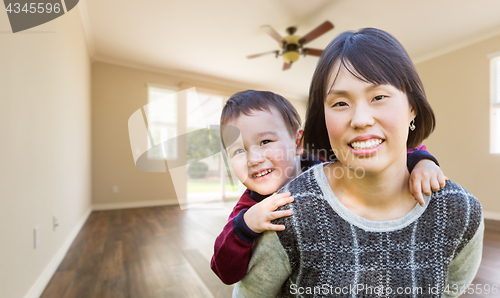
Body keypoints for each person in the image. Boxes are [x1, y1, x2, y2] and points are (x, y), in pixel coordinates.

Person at [233, 28, 484, 298]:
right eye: (340, 103)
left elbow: (450, 290)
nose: (361, 119)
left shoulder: (460, 211)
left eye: (378, 97)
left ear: (412, 107)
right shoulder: (288, 211)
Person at [211, 90, 446, 285]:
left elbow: (383, 156)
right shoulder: (248, 208)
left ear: (298, 142)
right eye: (239, 151)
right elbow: (224, 271)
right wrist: (245, 226)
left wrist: (422, 161)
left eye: (265, 142)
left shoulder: (327, 165)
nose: (253, 159)